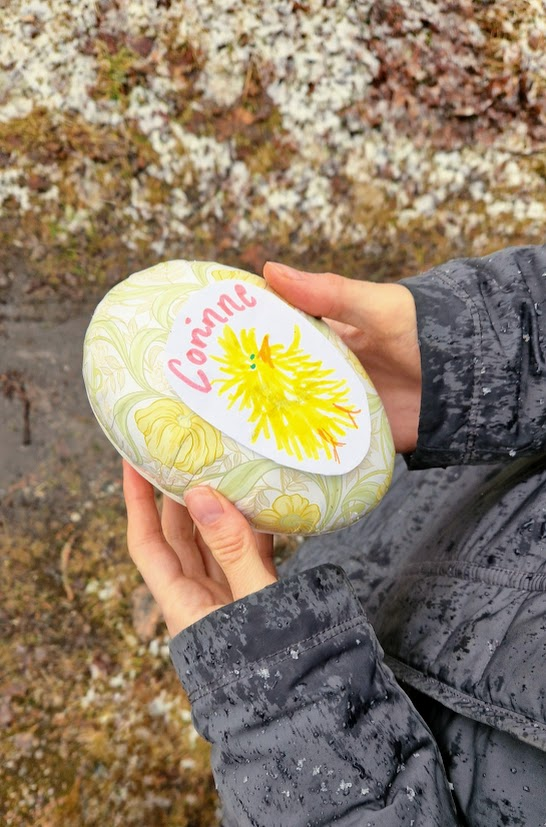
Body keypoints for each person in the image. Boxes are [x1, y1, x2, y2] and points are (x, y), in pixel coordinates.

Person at [123, 245, 546, 826]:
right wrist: (477, 359)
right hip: (443, 511)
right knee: (353, 548)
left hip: (358, 720)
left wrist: (278, 704)